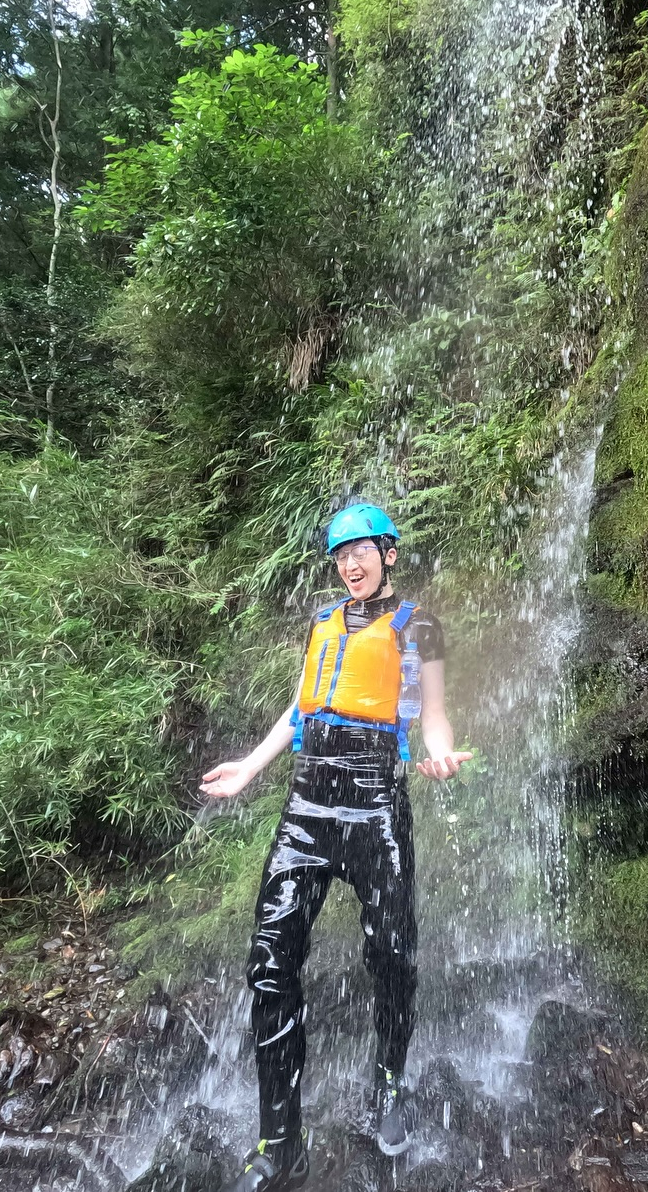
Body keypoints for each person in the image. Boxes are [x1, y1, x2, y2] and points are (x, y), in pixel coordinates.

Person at [201, 503, 473, 1192]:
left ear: (386, 551)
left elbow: (433, 714)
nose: (351, 564)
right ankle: (280, 1139)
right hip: (306, 803)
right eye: (340, 555)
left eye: (361, 551)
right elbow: (300, 708)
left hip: (377, 800)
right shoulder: (323, 622)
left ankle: (388, 1083)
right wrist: (249, 766)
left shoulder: (418, 625)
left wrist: (439, 755)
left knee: (391, 950)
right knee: (270, 960)